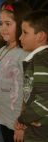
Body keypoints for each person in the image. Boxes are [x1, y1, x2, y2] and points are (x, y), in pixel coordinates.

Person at [0, 0, 30, 142]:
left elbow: (29, 93)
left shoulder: (25, 54)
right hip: (1, 119)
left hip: (16, 124)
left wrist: (22, 124)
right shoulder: (1, 51)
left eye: (8, 24)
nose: (2, 28)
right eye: (1, 23)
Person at [14, 10, 48, 142]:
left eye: (25, 33)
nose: (20, 37)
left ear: (40, 36)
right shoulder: (37, 58)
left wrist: (24, 118)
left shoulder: (42, 58)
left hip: (41, 130)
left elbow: (45, 97)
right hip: (35, 123)